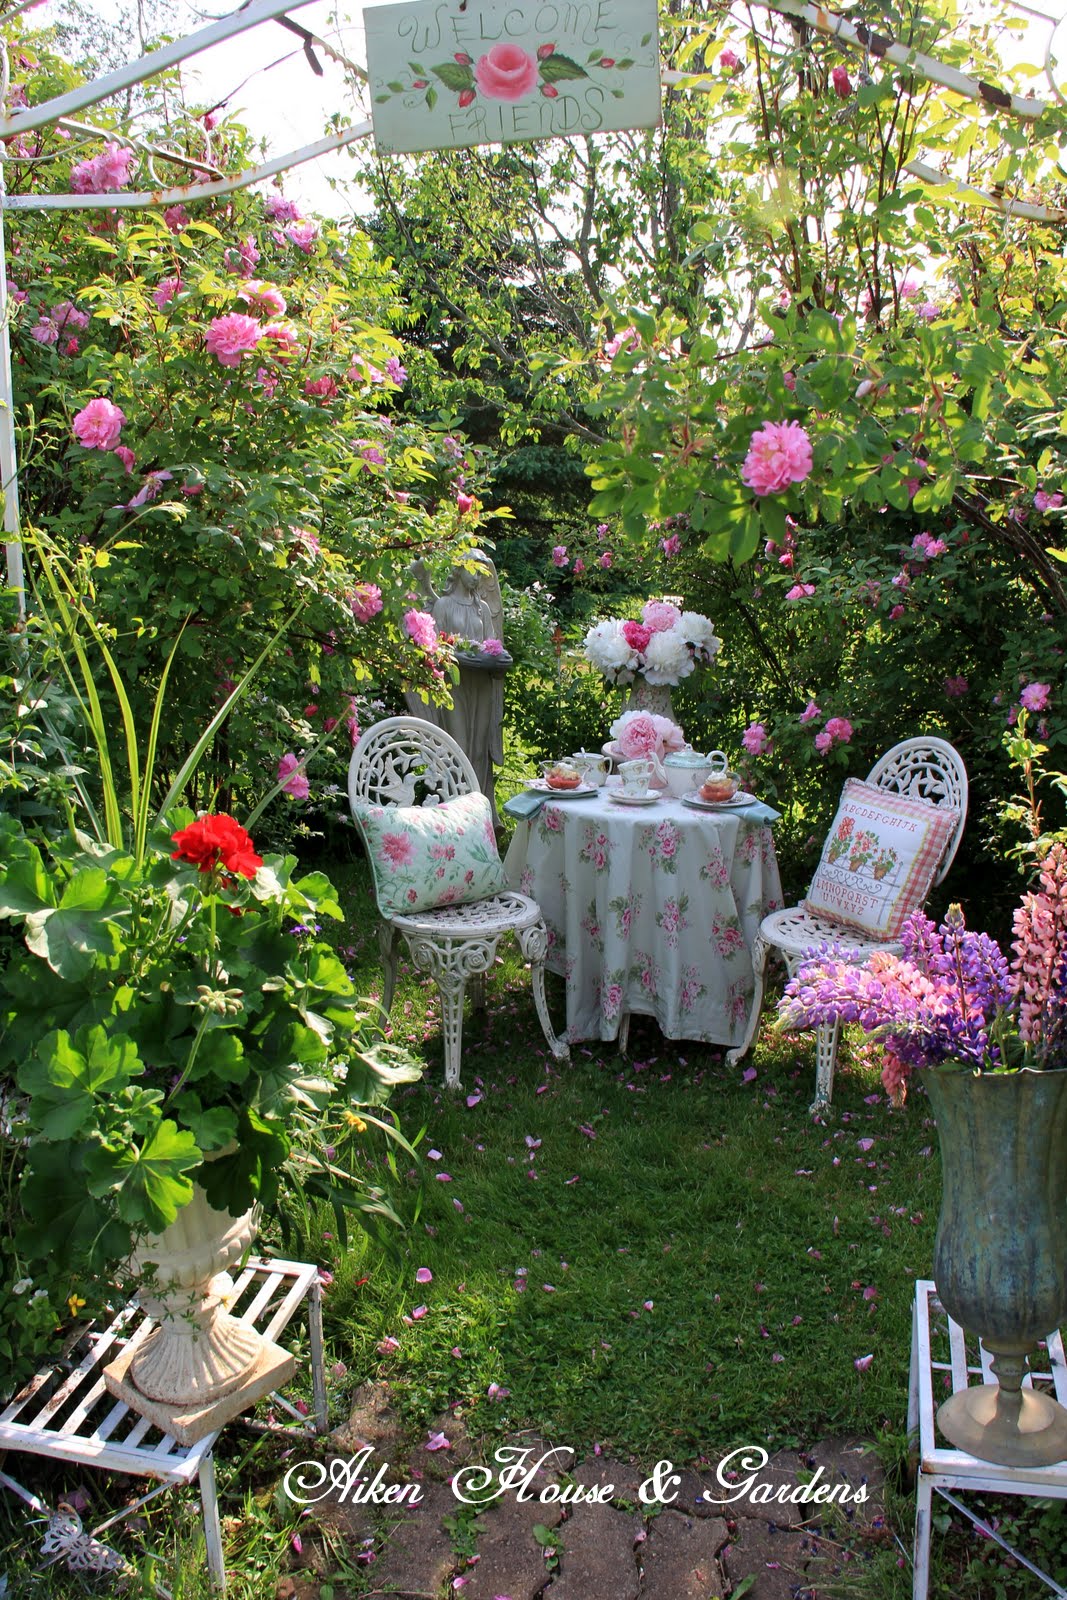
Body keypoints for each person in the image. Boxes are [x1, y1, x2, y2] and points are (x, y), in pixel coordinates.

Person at [405, 551, 512, 823]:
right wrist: (465, 658)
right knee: (458, 747)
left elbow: (492, 645)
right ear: (459, 571)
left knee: (478, 750)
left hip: (482, 686)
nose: (477, 576)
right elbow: (434, 649)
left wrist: (500, 658)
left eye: (480, 572)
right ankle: (453, 815)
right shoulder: (442, 606)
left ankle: (479, 817)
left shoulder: (483, 609)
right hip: (453, 686)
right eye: (472, 570)